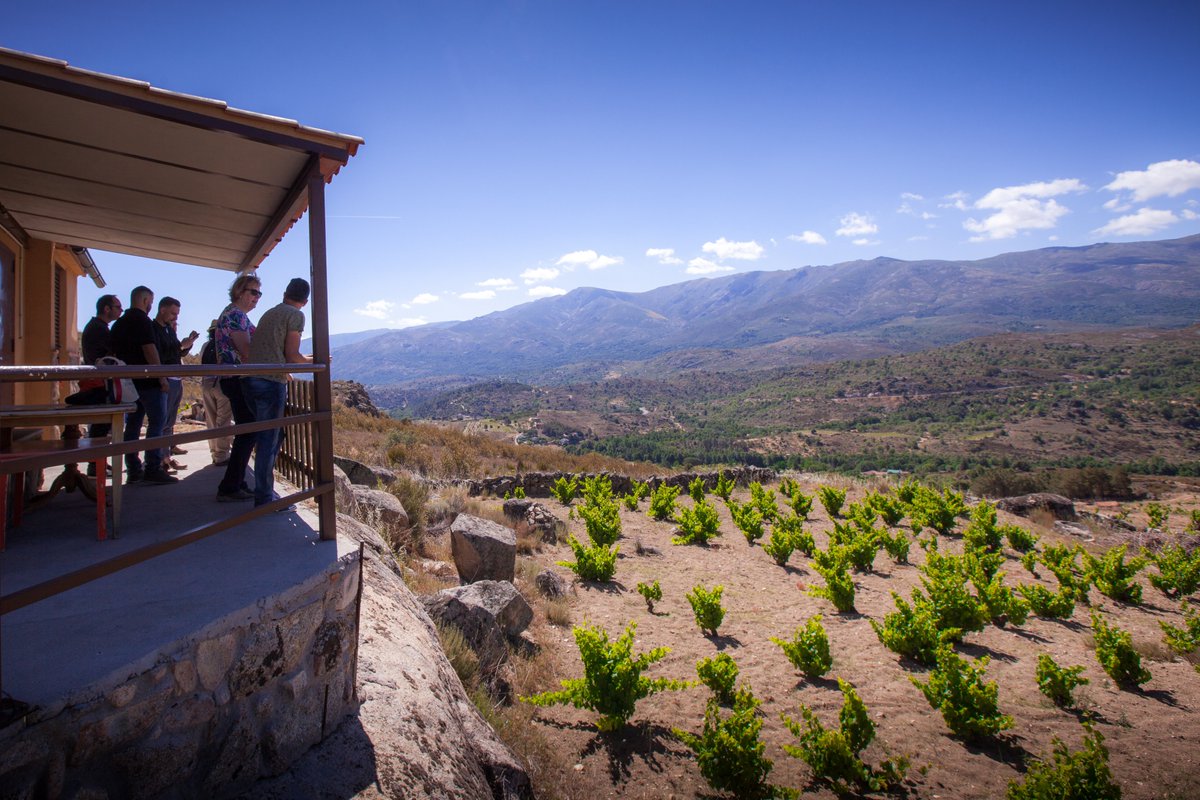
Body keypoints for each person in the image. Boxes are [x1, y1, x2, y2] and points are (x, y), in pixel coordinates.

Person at [243, 278, 312, 509]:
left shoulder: (270, 313)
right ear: (305, 300)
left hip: (250, 380)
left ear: (285, 293)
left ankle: (264, 491)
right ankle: (264, 499)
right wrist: (317, 361)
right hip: (270, 382)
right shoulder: (296, 315)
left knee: (271, 437)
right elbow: (292, 356)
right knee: (269, 440)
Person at [109, 286, 177, 485]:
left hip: (129, 384)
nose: (151, 306)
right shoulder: (143, 322)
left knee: (132, 426)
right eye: (151, 302)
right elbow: (149, 350)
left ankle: (133, 469)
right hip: (149, 383)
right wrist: (161, 377)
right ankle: (152, 468)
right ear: (146, 300)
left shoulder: (119, 324)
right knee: (156, 424)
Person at [214, 273, 262, 501]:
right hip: (237, 379)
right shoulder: (235, 316)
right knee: (248, 431)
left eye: (259, 293)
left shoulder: (234, 314)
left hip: (234, 378)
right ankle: (230, 486)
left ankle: (237, 482)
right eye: (253, 292)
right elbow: (247, 351)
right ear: (240, 291)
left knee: (247, 430)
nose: (257, 297)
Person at [153, 296, 199, 473]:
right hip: (165, 381)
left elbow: (175, 352)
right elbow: (160, 354)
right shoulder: (155, 330)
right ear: (162, 310)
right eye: (173, 313)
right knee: (163, 422)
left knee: (170, 422)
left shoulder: (168, 330)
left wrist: (187, 345)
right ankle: (159, 460)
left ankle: (166, 457)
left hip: (175, 380)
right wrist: (181, 347)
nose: (176, 318)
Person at [79, 294, 122, 474]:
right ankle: (96, 465)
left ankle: (98, 463)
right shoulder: (99, 329)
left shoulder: (96, 327)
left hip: (98, 382)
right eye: (118, 307)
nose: (121, 311)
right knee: (101, 427)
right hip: (99, 383)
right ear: (107, 309)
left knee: (101, 426)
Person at [199, 320, 233, 465]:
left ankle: (214, 451)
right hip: (222, 383)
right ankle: (222, 454)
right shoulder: (226, 344)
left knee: (211, 420)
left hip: (206, 383)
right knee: (224, 419)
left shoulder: (205, 346)